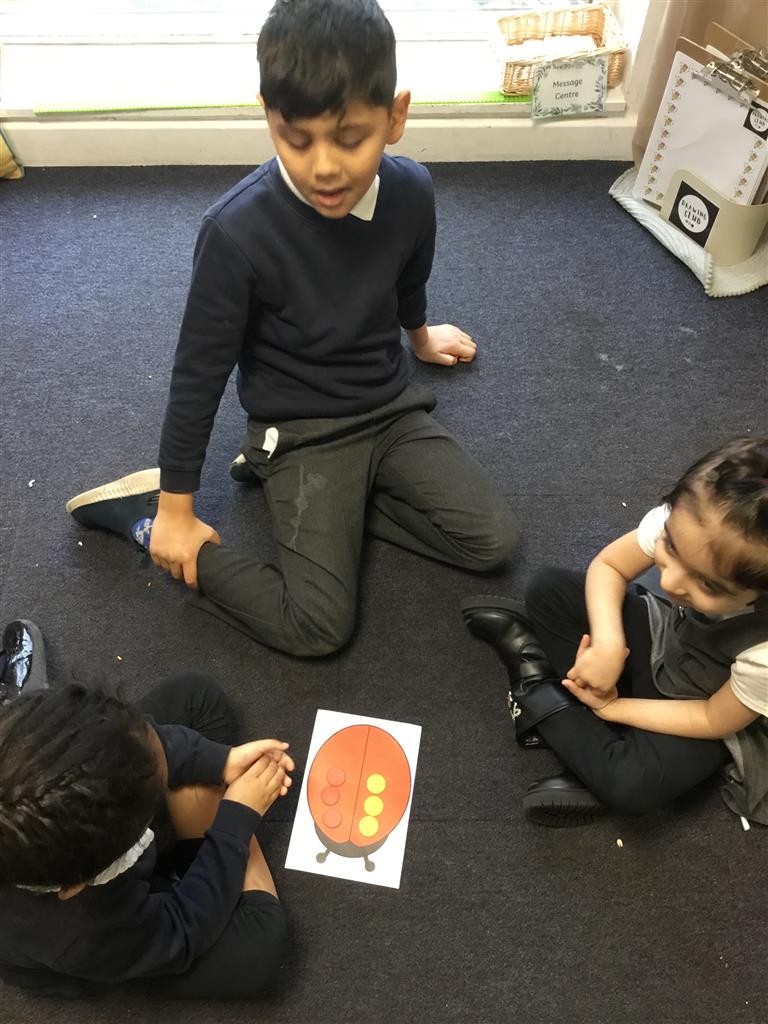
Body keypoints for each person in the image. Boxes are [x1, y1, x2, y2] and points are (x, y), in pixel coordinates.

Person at [64, 0, 519, 657]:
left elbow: (407, 277)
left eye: (350, 138)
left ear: (395, 117)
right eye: (296, 139)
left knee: (493, 543)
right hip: (301, 429)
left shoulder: (413, 190)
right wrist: (175, 510)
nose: (323, 167)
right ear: (268, 115)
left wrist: (419, 337)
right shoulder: (234, 232)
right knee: (319, 627)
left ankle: (317, 497)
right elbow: (198, 376)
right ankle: (140, 515)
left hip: (389, 408)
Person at [462, 436, 768, 827]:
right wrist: (608, 642)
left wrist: (613, 708)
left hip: (708, 700)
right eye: (671, 548)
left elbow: (713, 718)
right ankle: (591, 749)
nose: (670, 582)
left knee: (631, 785)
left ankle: (535, 686)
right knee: (548, 589)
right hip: (673, 638)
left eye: (707, 584)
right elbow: (609, 567)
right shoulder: (695, 520)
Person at [0, 667, 293, 998]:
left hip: (87, 845)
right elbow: (182, 929)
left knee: (196, 696)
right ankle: (196, 842)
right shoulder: (80, 932)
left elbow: (140, 739)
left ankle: (189, 820)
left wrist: (220, 760)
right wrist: (235, 821)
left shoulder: (19, 752)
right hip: (114, 944)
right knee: (262, 942)